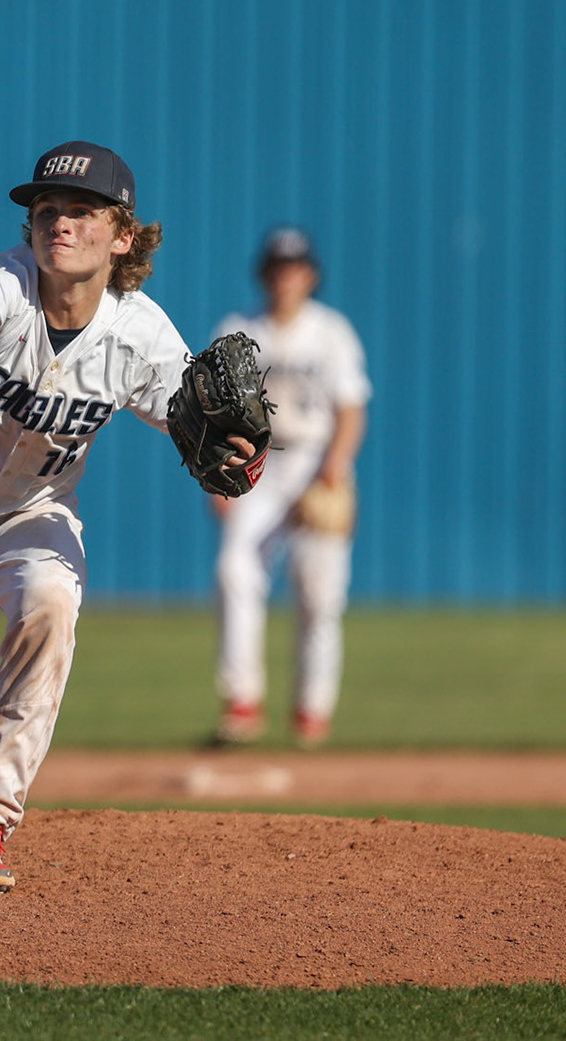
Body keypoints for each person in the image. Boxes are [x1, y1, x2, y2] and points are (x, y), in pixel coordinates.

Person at [0, 141, 267, 892]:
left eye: (81, 212)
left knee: (50, 600)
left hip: (31, 513)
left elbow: (186, 404)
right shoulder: (6, 282)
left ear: (123, 235)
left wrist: (231, 439)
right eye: (47, 211)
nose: (59, 224)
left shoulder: (139, 331)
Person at [209, 227, 371, 749]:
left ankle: (312, 712)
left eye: (295, 268)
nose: (286, 278)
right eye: (278, 268)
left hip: (316, 463)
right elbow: (213, 412)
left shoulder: (331, 333)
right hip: (256, 465)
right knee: (235, 570)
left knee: (319, 592)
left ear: (311, 276)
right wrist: (216, 475)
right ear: (265, 275)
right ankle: (242, 704)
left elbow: (351, 409)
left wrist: (336, 466)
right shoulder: (237, 331)